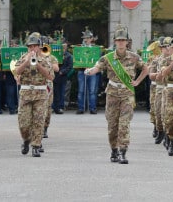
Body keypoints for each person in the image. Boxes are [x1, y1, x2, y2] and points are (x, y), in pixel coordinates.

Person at [84, 26, 148, 164]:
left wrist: (137, 81)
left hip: (127, 94)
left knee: (124, 123)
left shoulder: (134, 57)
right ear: (115, 41)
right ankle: (114, 149)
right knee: (112, 125)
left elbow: (146, 68)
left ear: (127, 42)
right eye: (118, 40)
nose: (120, 42)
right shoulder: (107, 58)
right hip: (112, 93)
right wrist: (90, 71)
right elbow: (97, 67)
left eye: (123, 40)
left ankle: (123, 152)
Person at [15, 32, 54, 157]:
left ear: (39, 46)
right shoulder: (23, 58)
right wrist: (27, 62)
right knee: (23, 122)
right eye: (30, 46)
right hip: (26, 93)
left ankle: (36, 145)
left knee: (39, 121)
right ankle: (26, 140)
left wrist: (37, 64)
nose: (32, 49)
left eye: (35, 46)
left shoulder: (45, 60)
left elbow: (50, 76)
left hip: (40, 93)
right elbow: (17, 72)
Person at [76, 28, 98, 114]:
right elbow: (76, 59)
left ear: (91, 39)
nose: (86, 40)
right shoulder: (79, 48)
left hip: (92, 71)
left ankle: (92, 108)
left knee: (92, 91)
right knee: (81, 90)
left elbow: (98, 60)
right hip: (82, 70)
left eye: (88, 38)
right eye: (84, 38)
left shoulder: (95, 48)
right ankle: (81, 108)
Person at [52, 42, 73, 114]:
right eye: (62, 47)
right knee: (54, 92)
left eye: (64, 47)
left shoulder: (68, 56)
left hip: (63, 76)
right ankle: (54, 107)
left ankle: (61, 107)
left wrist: (62, 72)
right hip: (54, 76)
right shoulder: (54, 54)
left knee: (62, 92)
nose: (63, 48)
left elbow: (70, 66)